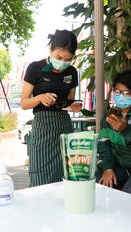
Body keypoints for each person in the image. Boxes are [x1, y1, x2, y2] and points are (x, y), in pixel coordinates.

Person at [21, 30, 82, 187]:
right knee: (40, 181)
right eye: (59, 57)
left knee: (66, 179)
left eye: (68, 59)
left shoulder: (72, 72)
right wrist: (40, 98)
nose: (63, 63)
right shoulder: (35, 68)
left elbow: (69, 101)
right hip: (43, 128)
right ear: (50, 49)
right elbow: (24, 103)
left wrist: (73, 106)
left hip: (64, 126)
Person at [96, 70, 131, 198]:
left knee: (130, 196)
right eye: (117, 91)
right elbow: (103, 143)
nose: (121, 96)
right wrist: (107, 168)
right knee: (94, 186)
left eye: (127, 93)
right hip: (119, 166)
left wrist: (126, 130)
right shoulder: (109, 115)